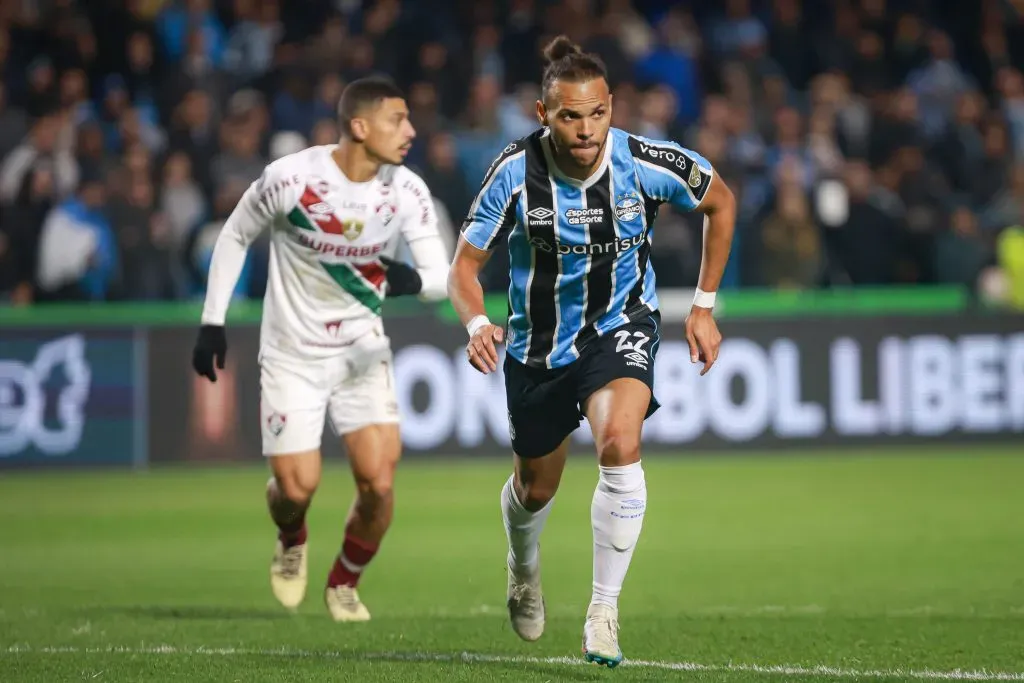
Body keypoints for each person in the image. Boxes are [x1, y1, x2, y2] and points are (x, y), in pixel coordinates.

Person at [447, 37, 736, 666]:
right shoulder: (513, 174)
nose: (585, 130)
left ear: (613, 107)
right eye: (569, 116)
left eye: (597, 114)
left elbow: (720, 200)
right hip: (537, 346)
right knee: (535, 488)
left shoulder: (646, 161)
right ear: (541, 113)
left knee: (619, 443)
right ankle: (523, 566)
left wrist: (705, 304)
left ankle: (603, 610)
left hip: (621, 323)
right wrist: (476, 325)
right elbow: (464, 269)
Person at [191, 76, 449, 622]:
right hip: (291, 354)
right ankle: (292, 538)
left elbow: (437, 277)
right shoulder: (291, 179)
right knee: (296, 487)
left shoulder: (406, 190)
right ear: (359, 127)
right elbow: (235, 236)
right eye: (396, 120)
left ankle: (343, 582)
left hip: (361, 351)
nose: (411, 130)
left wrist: (403, 281)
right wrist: (212, 321)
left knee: (379, 483)